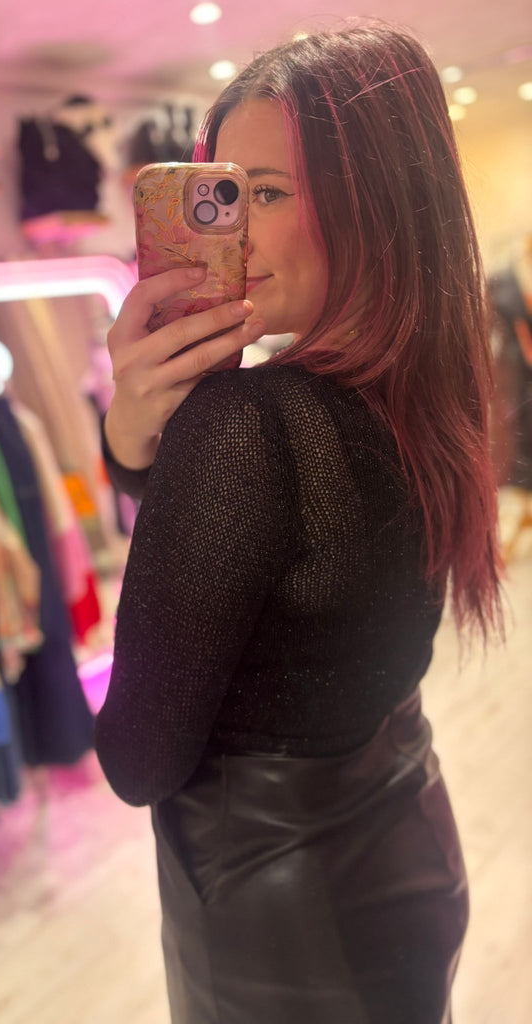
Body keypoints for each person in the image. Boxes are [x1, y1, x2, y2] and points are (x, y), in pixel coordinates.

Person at [94, 24, 504, 1024]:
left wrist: (156, 442)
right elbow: (298, 590)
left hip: (280, 925)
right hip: (405, 843)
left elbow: (136, 759)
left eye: (268, 193)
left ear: (379, 203)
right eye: (225, 193)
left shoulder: (247, 424)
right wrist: (143, 448)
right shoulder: (429, 388)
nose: (233, 234)